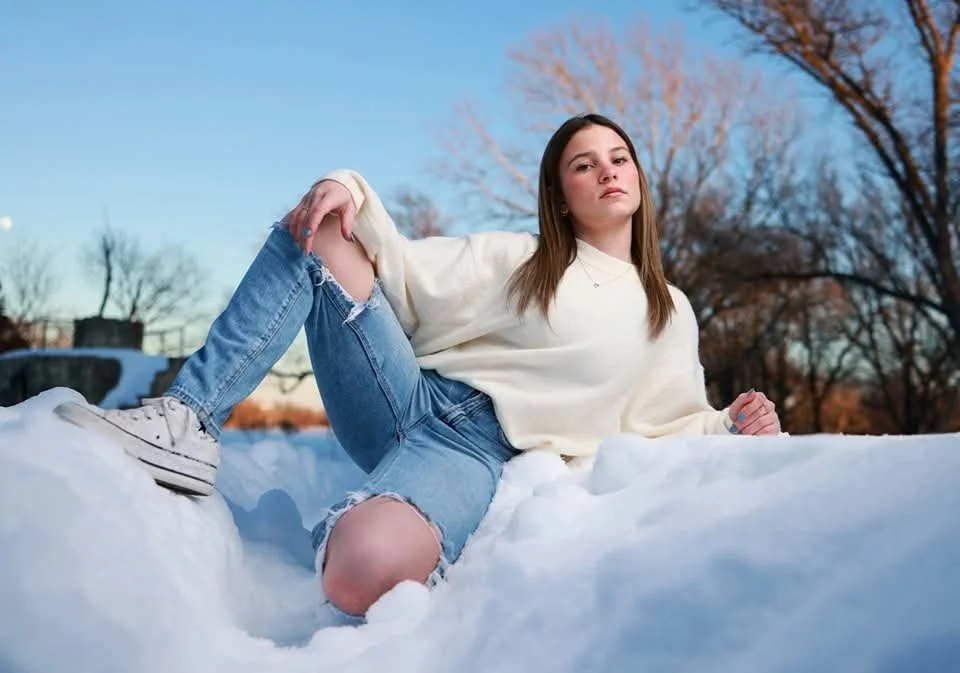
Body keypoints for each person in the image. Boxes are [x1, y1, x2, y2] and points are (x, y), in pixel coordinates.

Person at [55, 113, 780, 619]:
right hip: (403, 387)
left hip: (470, 449)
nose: (606, 171)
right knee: (323, 224)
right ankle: (188, 418)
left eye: (618, 158)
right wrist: (346, 186)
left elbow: (679, 420)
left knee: (358, 570)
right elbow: (392, 259)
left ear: (640, 178)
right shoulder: (522, 260)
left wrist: (739, 422)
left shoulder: (670, 310)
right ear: (562, 194)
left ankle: (378, 509)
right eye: (583, 164)